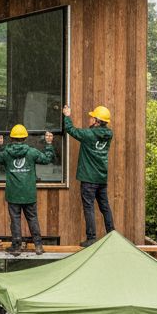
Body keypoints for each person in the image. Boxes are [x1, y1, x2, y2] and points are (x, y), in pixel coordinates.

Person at [0, 125, 56, 255]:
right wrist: (49, 144)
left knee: (15, 220)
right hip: (29, 193)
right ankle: (38, 246)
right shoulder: (31, 152)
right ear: (25, 138)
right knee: (32, 218)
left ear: (11, 138)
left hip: (13, 194)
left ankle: (16, 247)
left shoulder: (6, 153)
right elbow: (46, 159)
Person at [62, 104, 114, 246]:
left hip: (89, 179)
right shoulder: (109, 135)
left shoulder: (89, 134)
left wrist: (67, 116)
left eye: (92, 117)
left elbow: (71, 130)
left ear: (97, 121)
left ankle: (91, 238)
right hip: (101, 178)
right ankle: (112, 233)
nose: (89, 119)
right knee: (105, 206)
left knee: (89, 207)